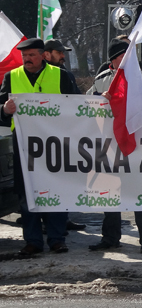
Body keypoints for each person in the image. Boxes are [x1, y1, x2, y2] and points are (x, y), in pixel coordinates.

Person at [0, 38, 75, 255]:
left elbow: (77, 106)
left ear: (43, 55)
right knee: (27, 193)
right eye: (24, 56)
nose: (27, 60)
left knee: (56, 190)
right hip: (24, 146)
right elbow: (1, 110)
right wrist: (5, 109)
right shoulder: (11, 77)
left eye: (31, 55)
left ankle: (56, 239)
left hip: (56, 144)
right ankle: (32, 241)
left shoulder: (61, 76)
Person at [87, 39, 142, 253]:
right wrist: (101, 101)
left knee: (140, 193)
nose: (130, 57)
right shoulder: (101, 79)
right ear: (114, 58)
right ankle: (110, 238)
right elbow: (87, 107)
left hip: (139, 145)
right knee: (110, 193)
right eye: (124, 54)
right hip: (110, 146)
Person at [43, 39, 87, 233]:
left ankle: (63, 217)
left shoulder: (65, 74)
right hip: (42, 137)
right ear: (47, 53)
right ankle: (48, 222)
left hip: (63, 135)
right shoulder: (36, 75)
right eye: (59, 52)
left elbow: (76, 100)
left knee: (64, 180)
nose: (63, 56)